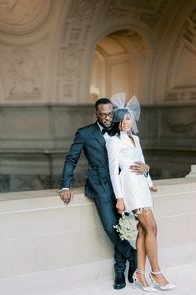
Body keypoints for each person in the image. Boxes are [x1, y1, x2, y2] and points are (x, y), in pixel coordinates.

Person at [59, 97, 150, 290]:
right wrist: (65, 185)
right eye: (103, 114)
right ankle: (132, 256)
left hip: (125, 187)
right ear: (96, 114)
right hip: (99, 187)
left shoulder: (120, 130)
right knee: (112, 228)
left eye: (110, 113)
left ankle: (120, 270)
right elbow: (71, 159)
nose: (108, 118)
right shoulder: (84, 133)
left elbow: (135, 155)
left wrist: (146, 168)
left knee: (124, 228)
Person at [105, 94, 177, 292]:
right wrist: (119, 198)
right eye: (123, 119)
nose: (127, 122)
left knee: (144, 231)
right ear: (117, 122)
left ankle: (139, 274)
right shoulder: (112, 142)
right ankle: (156, 273)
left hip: (142, 186)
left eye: (129, 119)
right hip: (129, 186)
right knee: (152, 227)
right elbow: (113, 171)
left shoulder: (135, 138)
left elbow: (143, 163)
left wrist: (150, 179)